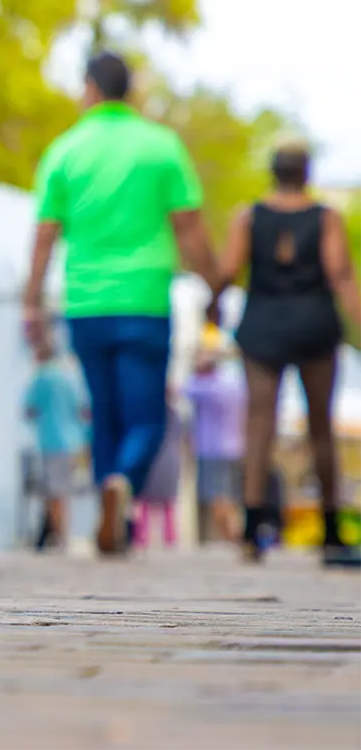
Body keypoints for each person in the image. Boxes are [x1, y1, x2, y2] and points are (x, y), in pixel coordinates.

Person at [24, 50, 221, 557]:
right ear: (129, 90)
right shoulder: (161, 147)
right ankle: (124, 484)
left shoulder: (65, 150)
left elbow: (45, 235)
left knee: (104, 413)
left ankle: (110, 506)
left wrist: (31, 303)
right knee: (148, 416)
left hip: (86, 302)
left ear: (90, 87)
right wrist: (215, 285)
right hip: (144, 299)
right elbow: (190, 228)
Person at [212, 139, 361, 565]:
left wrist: (213, 301)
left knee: (259, 424)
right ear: (306, 173)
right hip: (314, 323)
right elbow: (339, 272)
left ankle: (251, 525)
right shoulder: (325, 218)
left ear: (273, 172)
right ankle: (331, 529)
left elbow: (229, 268)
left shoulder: (248, 216)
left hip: (263, 325)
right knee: (320, 426)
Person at [23, 332, 88, 552]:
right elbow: (83, 408)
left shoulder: (42, 378)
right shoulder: (69, 377)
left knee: (55, 492)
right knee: (63, 490)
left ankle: (61, 536)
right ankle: (59, 534)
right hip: (74, 440)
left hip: (52, 440)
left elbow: (29, 408)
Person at [182, 347, 246, 543]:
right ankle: (238, 533)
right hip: (237, 447)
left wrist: (199, 367)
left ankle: (235, 536)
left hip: (212, 450)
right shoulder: (234, 385)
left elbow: (182, 389)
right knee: (231, 496)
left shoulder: (205, 387)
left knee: (218, 497)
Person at [134, 401, 183, 551]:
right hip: (169, 456)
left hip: (152, 457)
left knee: (145, 500)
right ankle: (169, 538)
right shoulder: (175, 414)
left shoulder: (146, 412)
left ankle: (141, 537)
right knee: (167, 503)